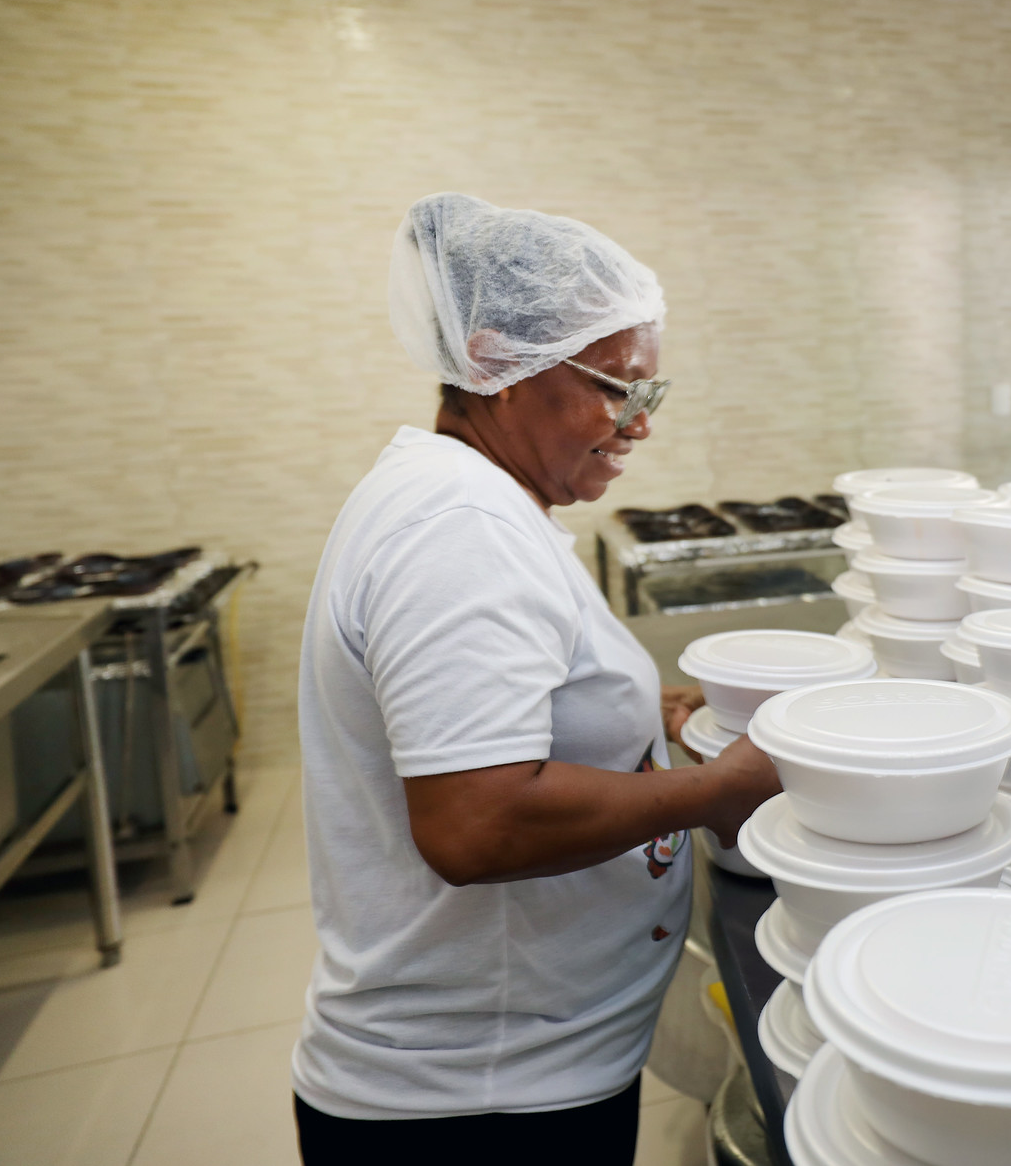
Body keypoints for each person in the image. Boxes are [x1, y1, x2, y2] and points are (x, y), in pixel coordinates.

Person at [290, 193, 779, 1162]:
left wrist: (643, 719)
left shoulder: (475, 501)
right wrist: (718, 790)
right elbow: (477, 822)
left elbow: (503, 719)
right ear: (488, 365)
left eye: (650, 393)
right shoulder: (459, 531)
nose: (637, 425)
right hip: (474, 1102)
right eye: (614, 388)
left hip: (511, 1062)